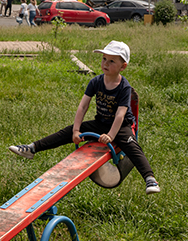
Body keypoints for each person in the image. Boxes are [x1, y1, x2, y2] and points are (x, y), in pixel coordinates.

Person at [9, 40, 160, 194]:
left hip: (120, 126)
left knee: (133, 147)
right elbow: (83, 106)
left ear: (123, 66)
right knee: (67, 132)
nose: (105, 63)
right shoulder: (96, 81)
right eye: (104, 59)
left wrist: (110, 135)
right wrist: (76, 131)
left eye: (112, 61)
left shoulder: (124, 87)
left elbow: (120, 114)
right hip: (100, 123)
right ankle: (32, 148)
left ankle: (150, 179)